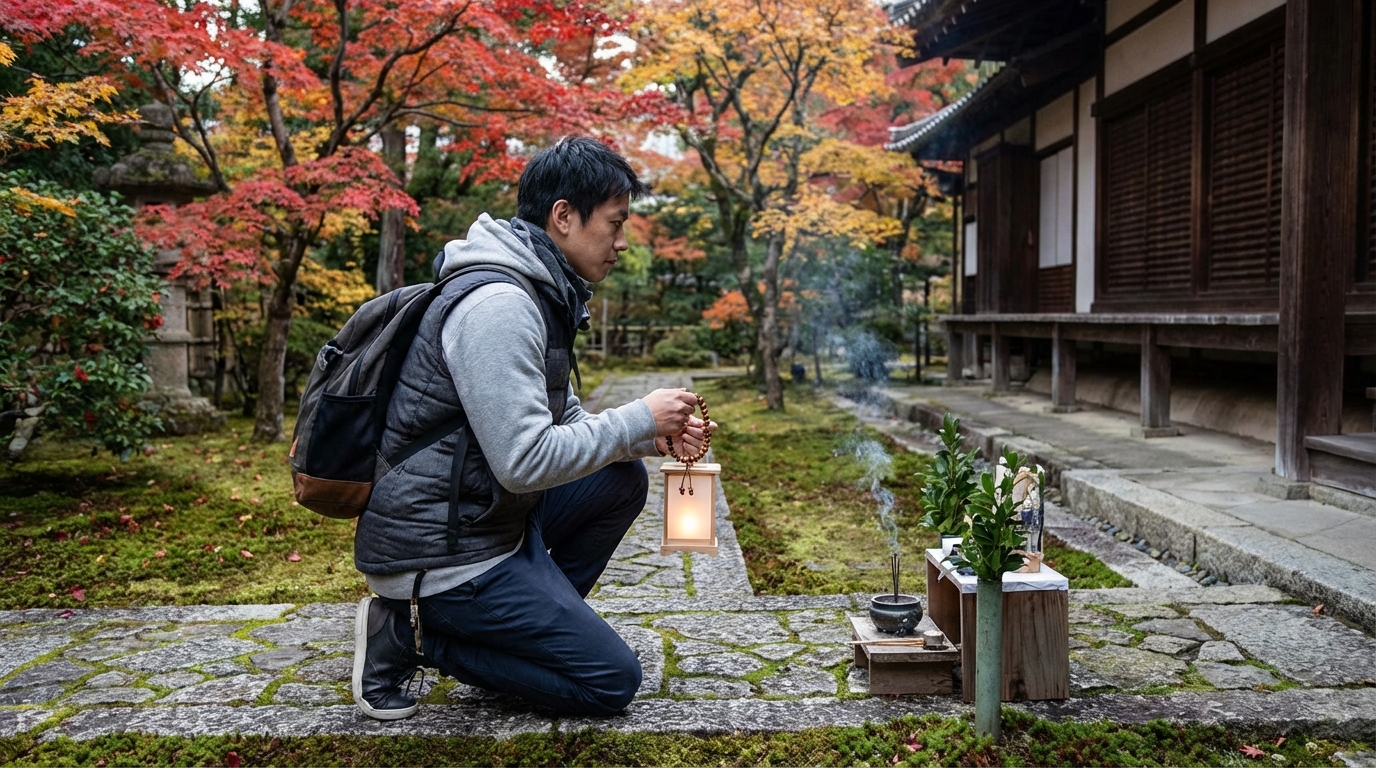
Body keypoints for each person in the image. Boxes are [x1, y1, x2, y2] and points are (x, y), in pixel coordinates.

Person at [350, 136, 712, 720]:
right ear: (563, 216)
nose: (622, 243)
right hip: (440, 553)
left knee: (622, 478)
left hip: (480, 520)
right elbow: (522, 462)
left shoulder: (541, 292)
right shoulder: (500, 304)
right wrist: (635, 416)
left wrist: (647, 439)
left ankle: (508, 641)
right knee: (610, 680)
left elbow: (564, 421)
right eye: (614, 224)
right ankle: (414, 636)